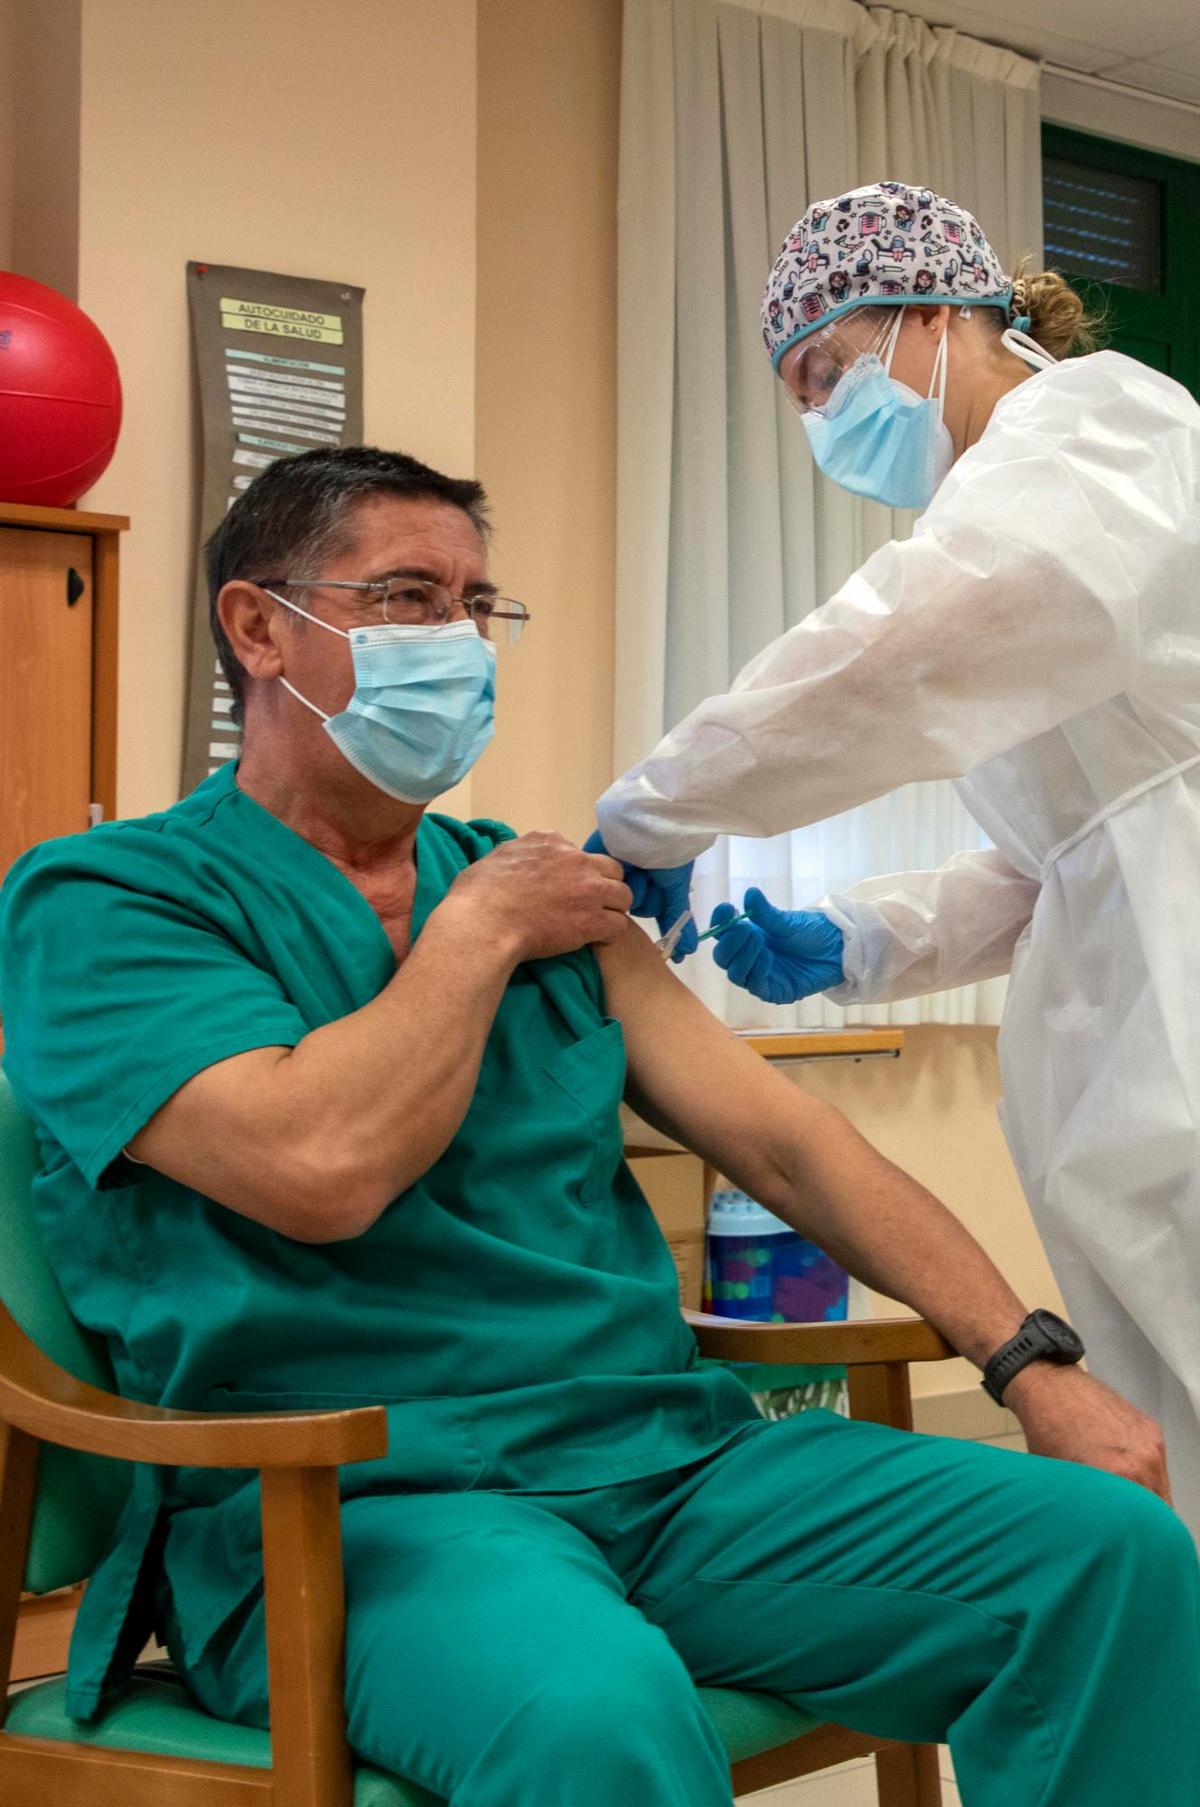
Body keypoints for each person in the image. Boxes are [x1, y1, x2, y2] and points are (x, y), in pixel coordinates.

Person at [2, 445, 1198, 1807]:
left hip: (668, 1463)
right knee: (594, 1716)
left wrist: (1035, 1366)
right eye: (405, 597)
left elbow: (792, 1145)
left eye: (475, 604)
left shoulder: (536, 895)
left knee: (1105, 1552)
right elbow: (317, 1167)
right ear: (258, 625)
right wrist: (481, 929)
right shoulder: (110, 900)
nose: (454, 639)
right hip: (358, 1508)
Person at [591, 179, 1200, 1541]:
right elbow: (1062, 860)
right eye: (797, 393)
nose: (820, 416)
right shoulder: (1005, 505)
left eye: (824, 371)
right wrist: (860, 938)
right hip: (1135, 1025)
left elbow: (897, 654)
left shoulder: (1099, 434)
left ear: (929, 311)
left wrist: (655, 810)